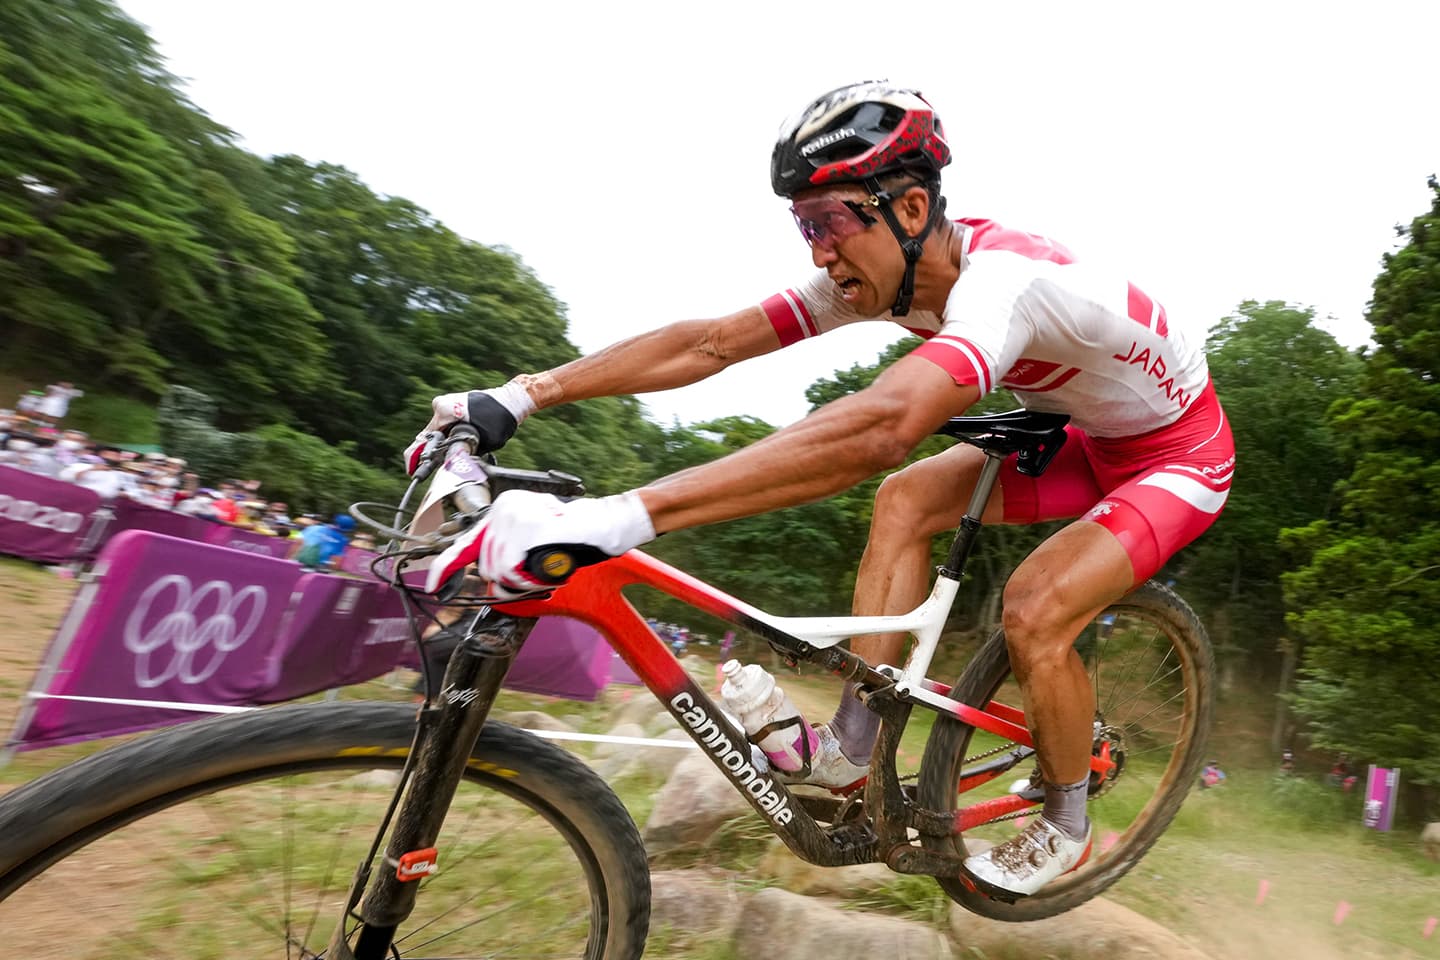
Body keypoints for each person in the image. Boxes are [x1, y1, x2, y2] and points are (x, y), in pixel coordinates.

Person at [404, 82, 1235, 898]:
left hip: (1177, 453)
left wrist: (616, 520)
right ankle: (851, 745)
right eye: (804, 224)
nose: (817, 250)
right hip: (1082, 433)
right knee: (905, 503)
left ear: (910, 211)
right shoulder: (884, 275)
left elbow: (881, 427)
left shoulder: (1001, 287)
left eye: (831, 221)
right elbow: (711, 344)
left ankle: (1066, 819)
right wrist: (520, 395)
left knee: (1035, 607)